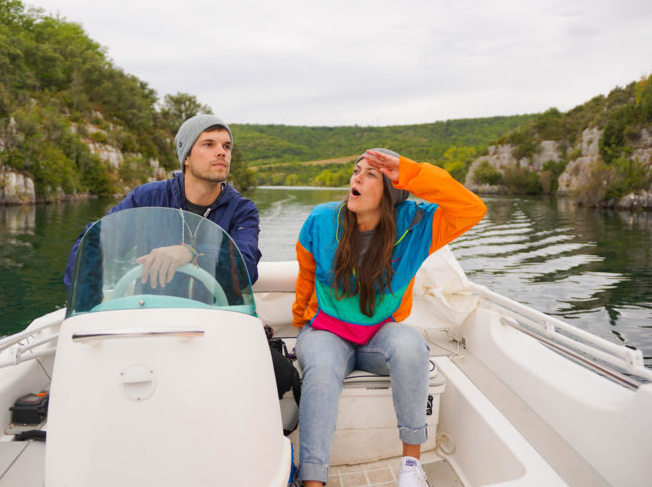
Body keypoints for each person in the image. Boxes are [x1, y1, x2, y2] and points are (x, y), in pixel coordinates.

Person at [292, 148, 486, 487]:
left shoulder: (416, 225)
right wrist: (301, 322)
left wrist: (409, 171)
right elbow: (306, 278)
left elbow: (472, 208)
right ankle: (312, 481)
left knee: (412, 347)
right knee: (321, 369)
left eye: (370, 175)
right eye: (356, 171)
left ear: (392, 191)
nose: (357, 178)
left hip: (379, 334)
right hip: (325, 331)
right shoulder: (322, 221)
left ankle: (411, 467)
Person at [63, 114, 262, 295]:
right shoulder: (148, 198)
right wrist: (88, 306)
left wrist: (192, 253)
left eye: (226, 146)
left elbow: (246, 267)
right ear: (186, 157)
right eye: (209, 144)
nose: (221, 152)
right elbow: (93, 244)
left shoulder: (242, 210)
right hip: (155, 316)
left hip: (215, 317)